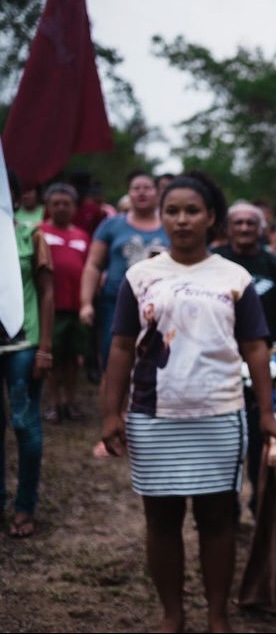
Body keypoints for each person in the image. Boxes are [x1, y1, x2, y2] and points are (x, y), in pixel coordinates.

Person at [100, 171, 276, 633]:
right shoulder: (141, 275)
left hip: (220, 414)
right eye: (172, 211)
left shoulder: (234, 277)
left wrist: (265, 412)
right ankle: (172, 616)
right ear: (161, 217)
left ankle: (217, 616)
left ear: (211, 218)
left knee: (217, 519)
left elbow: (256, 349)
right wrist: (110, 412)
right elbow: (122, 346)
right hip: (152, 416)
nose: (181, 220)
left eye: (192, 211)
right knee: (161, 519)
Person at [211, 199, 276, 517]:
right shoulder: (215, 261)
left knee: (260, 435)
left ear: (261, 228)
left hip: (264, 363)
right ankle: (223, 504)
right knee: (226, 440)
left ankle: (260, 502)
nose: (244, 228)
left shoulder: (274, 265)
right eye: (238, 222)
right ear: (228, 228)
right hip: (221, 364)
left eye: (250, 223)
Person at [0, 169, 54, 538]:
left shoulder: (30, 236)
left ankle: (24, 506)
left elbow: (47, 293)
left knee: (24, 423)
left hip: (24, 343)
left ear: (15, 198)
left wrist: (46, 348)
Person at [79, 170, 168, 386]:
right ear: (129, 194)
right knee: (113, 360)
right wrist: (86, 303)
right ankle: (113, 415)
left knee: (160, 358)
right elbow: (93, 264)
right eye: (136, 188)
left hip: (163, 304)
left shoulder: (169, 223)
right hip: (116, 302)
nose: (141, 193)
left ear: (157, 192)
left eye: (147, 188)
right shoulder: (112, 225)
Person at [38, 183, 90, 423]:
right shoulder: (39, 232)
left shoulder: (82, 236)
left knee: (73, 357)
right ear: (48, 207)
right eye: (56, 203)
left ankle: (70, 402)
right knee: (53, 356)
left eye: (66, 203)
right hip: (50, 307)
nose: (61, 208)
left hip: (77, 307)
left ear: (74, 207)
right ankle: (52, 402)